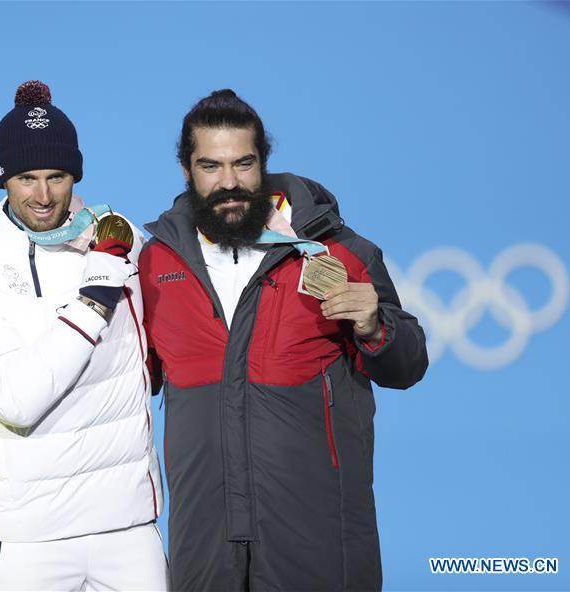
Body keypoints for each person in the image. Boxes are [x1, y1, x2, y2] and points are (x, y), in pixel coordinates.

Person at [139, 89, 429, 591]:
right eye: (210, 166)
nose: (229, 183)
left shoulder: (335, 251)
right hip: (204, 545)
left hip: (317, 540)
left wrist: (375, 326)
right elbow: (125, 381)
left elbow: (408, 365)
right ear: (186, 171)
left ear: (263, 162)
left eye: (243, 164)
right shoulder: (155, 264)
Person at [0, 80, 167, 592]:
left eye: (56, 177)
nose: (42, 196)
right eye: (26, 178)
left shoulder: (118, 237)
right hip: (28, 538)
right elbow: (16, 401)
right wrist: (94, 301)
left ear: (74, 175)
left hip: (127, 525)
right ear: (3, 179)